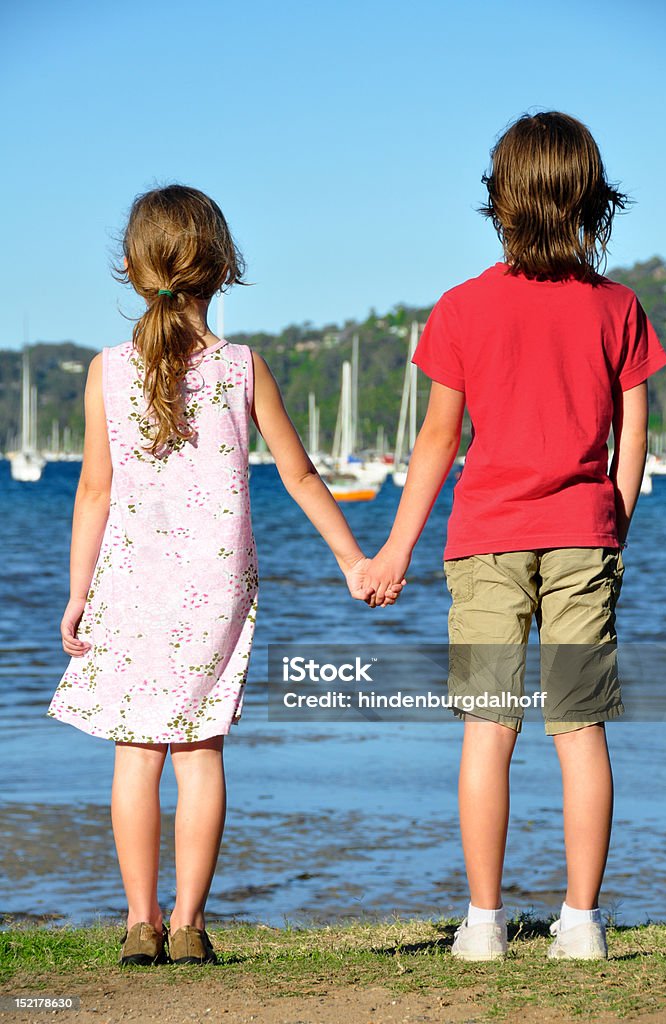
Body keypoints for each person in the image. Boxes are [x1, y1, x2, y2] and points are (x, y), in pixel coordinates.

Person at [46, 184, 402, 967]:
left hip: (130, 583)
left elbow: (94, 492)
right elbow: (303, 477)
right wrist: (354, 560)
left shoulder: (107, 371)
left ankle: (140, 923)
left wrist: (77, 594)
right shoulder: (242, 368)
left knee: (137, 751)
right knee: (200, 751)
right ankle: (189, 925)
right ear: (222, 267)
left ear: (135, 271)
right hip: (215, 585)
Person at [365, 112, 666, 961]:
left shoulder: (461, 308)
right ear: (589, 199)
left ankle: (485, 924)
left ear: (499, 200)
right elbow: (633, 439)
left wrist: (393, 550)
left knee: (486, 731)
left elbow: (437, 442)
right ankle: (580, 926)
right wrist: (611, 527)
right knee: (581, 730)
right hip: (584, 538)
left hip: (485, 542)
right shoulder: (620, 307)